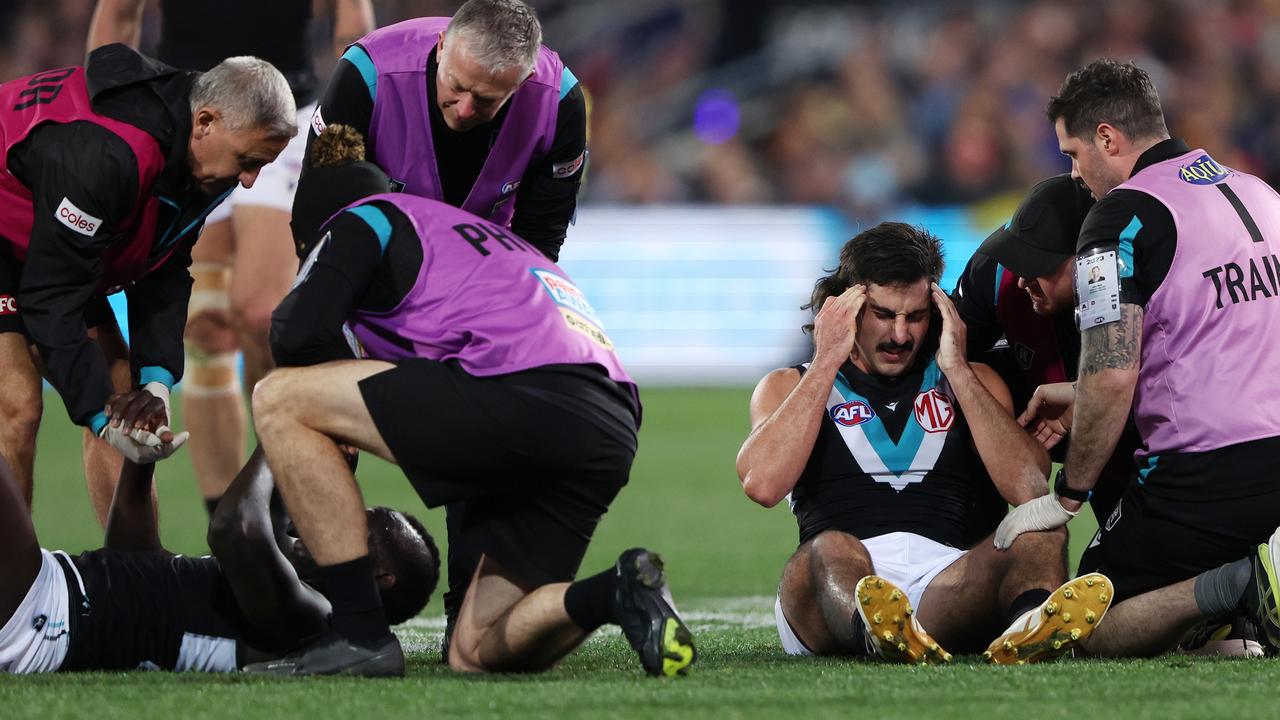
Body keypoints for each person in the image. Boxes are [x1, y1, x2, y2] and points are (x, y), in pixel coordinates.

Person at [242, 125, 694, 678]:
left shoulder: (366, 216)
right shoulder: (470, 235)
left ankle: (360, 635)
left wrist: (329, 432)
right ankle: (617, 590)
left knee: (280, 399)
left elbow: (293, 331)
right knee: (475, 650)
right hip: (608, 422)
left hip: (525, 391)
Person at [291, 0, 590, 647]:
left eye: (488, 101)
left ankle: (473, 608)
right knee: (302, 407)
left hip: (480, 295)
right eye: (455, 88)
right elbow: (316, 214)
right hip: (369, 282)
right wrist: (327, 346)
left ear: (520, 82)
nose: (463, 110)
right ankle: (312, 607)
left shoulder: (559, 101)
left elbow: (540, 244)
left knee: (488, 435)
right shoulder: (366, 75)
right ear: (440, 51)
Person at [994, 58, 1280, 658]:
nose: (1074, 176)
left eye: (1072, 154)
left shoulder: (1122, 216)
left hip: (1205, 472)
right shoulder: (1258, 192)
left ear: (1108, 138)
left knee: (1084, 622)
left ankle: (1239, 584)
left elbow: (1111, 368)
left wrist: (1067, 496)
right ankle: (1239, 620)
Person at [736, 221, 1111, 664]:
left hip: (944, 585)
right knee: (828, 549)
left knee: (1040, 529)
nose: (900, 335)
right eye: (883, 315)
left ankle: (1031, 630)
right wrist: (825, 363)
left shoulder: (974, 381)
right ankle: (873, 632)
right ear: (845, 306)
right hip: (836, 583)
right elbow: (761, 484)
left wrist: (958, 370)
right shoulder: (789, 384)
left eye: (915, 317)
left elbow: (1029, 487)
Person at [88, 0, 376, 517]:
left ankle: (284, 499)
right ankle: (228, 527)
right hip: (191, 120)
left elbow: (351, 27)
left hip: (284, 121)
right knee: (205, 332)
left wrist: (348, 128)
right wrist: (107, 119)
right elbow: (120, 16)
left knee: (262, 316)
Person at [0, 43, 296, 524]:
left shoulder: (201, 156)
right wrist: (97, 413)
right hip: (14, 235)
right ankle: (14, 592)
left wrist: (156, 384)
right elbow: (50, 298)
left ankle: (136, 575)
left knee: (127, 402)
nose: (248, 181)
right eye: (248, 161)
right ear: (205, 122)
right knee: (18, 406)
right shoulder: (109, 155)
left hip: (48, 237)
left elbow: (164, 268)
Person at [0, 444, 437, 674]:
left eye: (360, 524)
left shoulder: (316, 623)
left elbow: (237, 527)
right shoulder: (284, 585)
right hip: (53, 607)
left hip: (45, 619)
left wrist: (281, 432)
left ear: (379, 578)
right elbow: (132, 561)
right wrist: (139, 464)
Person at [952, 174, 1140, 528]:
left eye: (1039, 265)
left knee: (1121, 570)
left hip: (1149, 444)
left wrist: (1084, 400)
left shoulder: (1140, 282)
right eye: (1019, 260)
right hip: (1040, 413)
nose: (1024, 280)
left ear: (1090, 259)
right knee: (960, 380)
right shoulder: (994, 275)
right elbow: (942, 355)